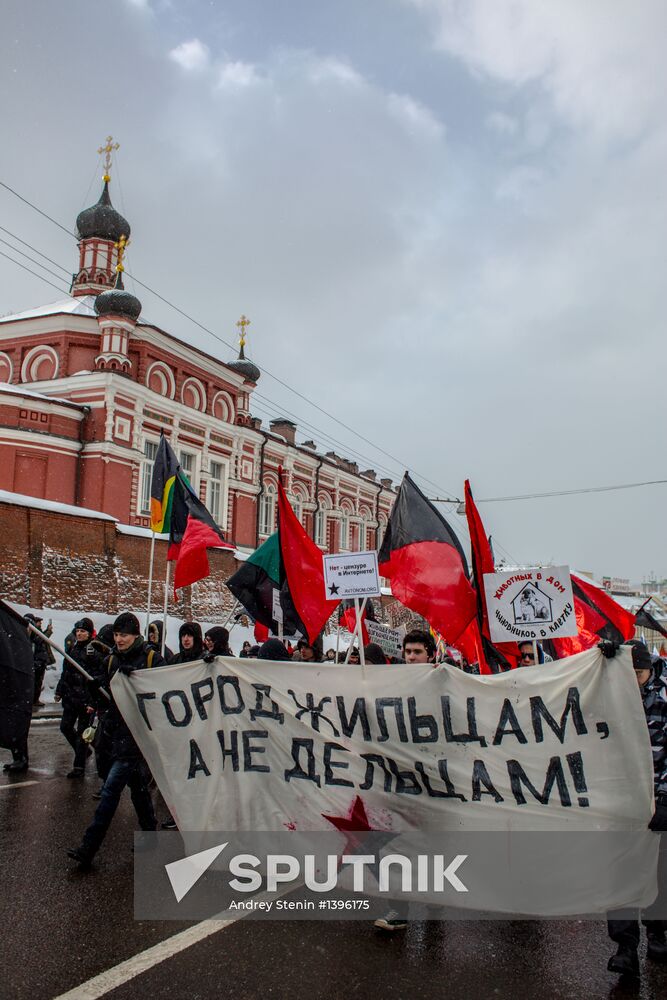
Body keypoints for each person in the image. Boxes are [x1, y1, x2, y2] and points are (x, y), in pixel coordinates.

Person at [67, 612, 164, 869]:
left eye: (125, 635)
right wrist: (96, 688)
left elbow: (167, 694)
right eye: (118, 634)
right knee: (138, 787)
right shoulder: (110, 660)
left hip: (137, 735)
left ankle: (89, 847)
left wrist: (140, 683)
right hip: (114, 734)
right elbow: (105, 698)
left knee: (111, 791)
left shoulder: (152, 658)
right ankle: (150, 833)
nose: (120, 639)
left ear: (136, 635)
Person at [607, 641, 667, 976]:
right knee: (621, 872)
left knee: (660, 870)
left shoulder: (663, 698)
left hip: (658, 800)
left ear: (649, 669)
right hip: (620, 800)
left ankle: (658, 932)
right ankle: (625, 947)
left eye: (638, 674)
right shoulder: (609, 697)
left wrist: (664, 796)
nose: (633, 680)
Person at [55, 617, 105, 778]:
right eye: (77, 631)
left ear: (89, 633)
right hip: (70, 698)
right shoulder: (73, 650)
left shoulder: (93, 652)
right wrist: (59, 691)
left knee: (83, 734)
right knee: (65, 727)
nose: (79, 634)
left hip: (85, 700)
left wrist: (92, 702)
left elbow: (96, 678)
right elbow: (66, 673)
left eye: (83, 631)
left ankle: (79, 767)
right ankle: (83, 752)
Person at [24, 613, 53, 708]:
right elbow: (40, 640)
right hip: (37, 662)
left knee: (37, 682)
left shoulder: (35, 631)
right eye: (39, 622)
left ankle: (34, 699)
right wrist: (48, 631)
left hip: (39, 662)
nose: (40, 623)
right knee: (35, 683)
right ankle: (33, 700)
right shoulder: (32, 632)